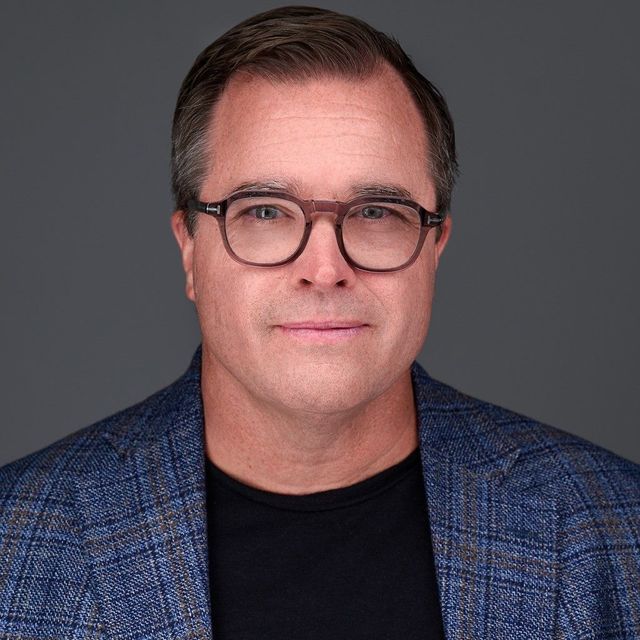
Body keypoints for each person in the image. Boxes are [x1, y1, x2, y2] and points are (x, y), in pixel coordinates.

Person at [1, 5, 639, 639]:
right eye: (265, 212)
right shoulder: (17, 543)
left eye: (377, 212)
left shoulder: (616, 529)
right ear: (190, 249)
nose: (325, 269)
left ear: (435, 248)